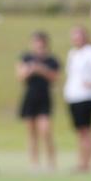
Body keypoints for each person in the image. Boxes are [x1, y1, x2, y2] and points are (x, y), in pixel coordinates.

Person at [63, 25, 91, 173]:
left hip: (86, 96)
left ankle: (87, 162)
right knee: (80, 131)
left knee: (86, 130)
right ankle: (82, 161)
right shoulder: (73, 53)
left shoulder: (90, 52)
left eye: (79, 36)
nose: (76, 39)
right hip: (73, 96)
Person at [16, 30, 59, 172]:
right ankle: (34, 162)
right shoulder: (26, 58)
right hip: (30, 97)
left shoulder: (51, 60)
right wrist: (30, 70)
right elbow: (20, 76)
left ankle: (51, 161)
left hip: (44, 97)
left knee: (45, 130)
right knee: (31, 132)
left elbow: (55, 78)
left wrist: (41, 69)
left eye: (41, 43)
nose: (38, 45)